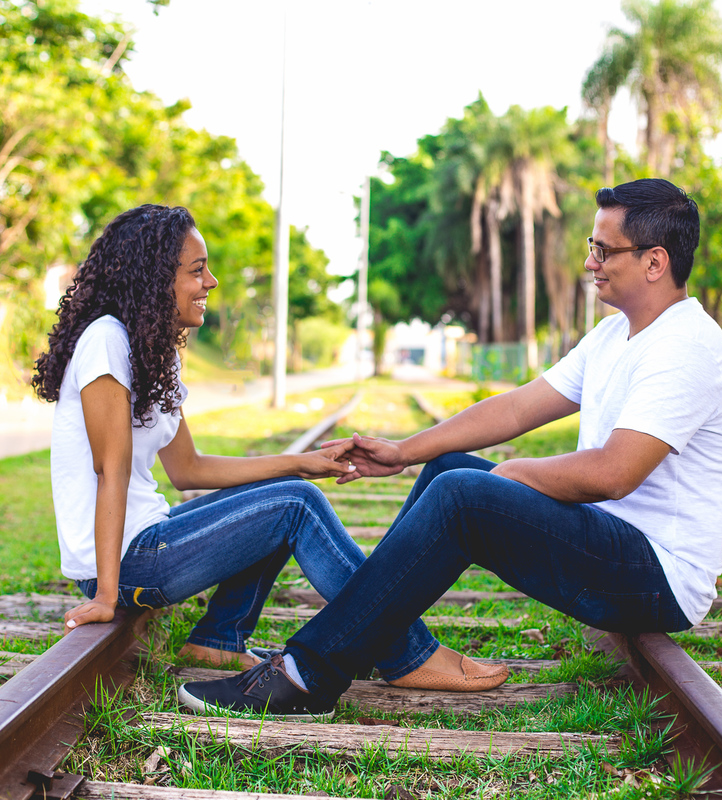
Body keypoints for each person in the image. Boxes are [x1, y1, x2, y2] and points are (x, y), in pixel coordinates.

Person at [178, 178, 722, 719]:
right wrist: (407, 451)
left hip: (657, 575)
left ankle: (308, 675)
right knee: (447, 469)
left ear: (654, 262)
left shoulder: (685, 345)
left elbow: (615, 473)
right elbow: (516, 409)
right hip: (613, 542)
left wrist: (517, 472)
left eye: (604, 250)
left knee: (464, 496)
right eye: (591, 246)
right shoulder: (615, 334)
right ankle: (382, 643)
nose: (590, 262)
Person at [31, 204, 506, 697]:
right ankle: (405, 651)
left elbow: (189, 469)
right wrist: (107, 594)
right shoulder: (106, 341)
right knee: (297, 505)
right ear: (153, 278)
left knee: (283, 489)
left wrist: (301, 463)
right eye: (197, 270)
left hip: (147, 539)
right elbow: (109, 470)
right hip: (128, 560)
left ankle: (218, 638)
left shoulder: (153, 350)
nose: (211, 282)